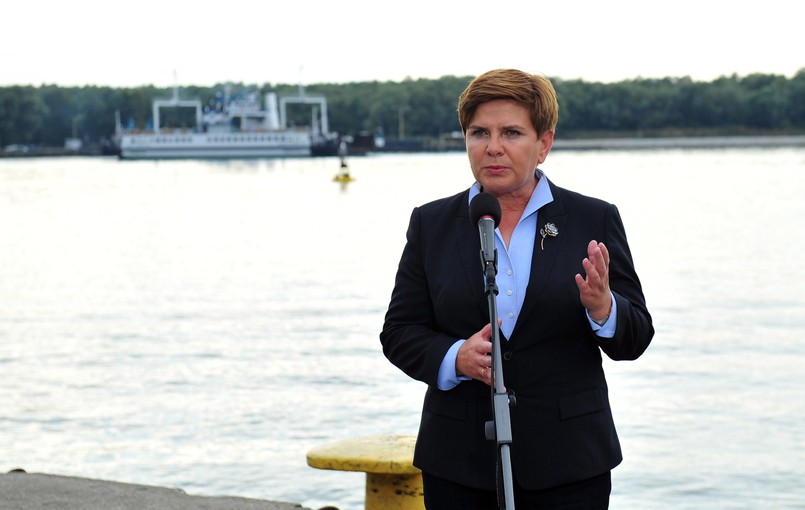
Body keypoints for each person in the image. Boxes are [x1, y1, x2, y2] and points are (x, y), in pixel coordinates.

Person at [379, 69, 654, 509]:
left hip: (569, 462)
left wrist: (604, 309)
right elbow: (399, 332)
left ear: (543, 144)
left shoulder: (592, 219)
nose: (493, 147)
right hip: (458, 463)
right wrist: (456, 358)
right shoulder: (431, 224)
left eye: (511, 132)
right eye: (478, 132)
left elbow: (636, 337)